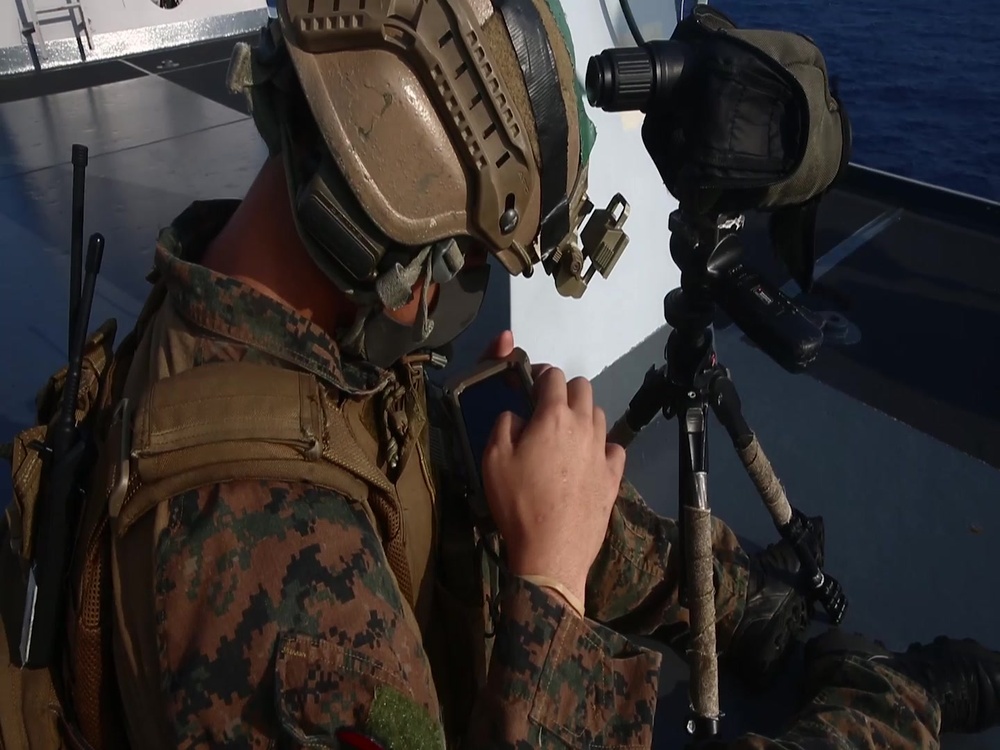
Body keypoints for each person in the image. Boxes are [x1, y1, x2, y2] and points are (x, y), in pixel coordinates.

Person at [1, 1, 998, 749]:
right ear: (383, 230)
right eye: (468, 257)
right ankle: (892, 708)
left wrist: (739, 607)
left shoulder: (246, 315)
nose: (464, 290)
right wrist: (550, 581)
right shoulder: (281, 598)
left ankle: (760, 612)